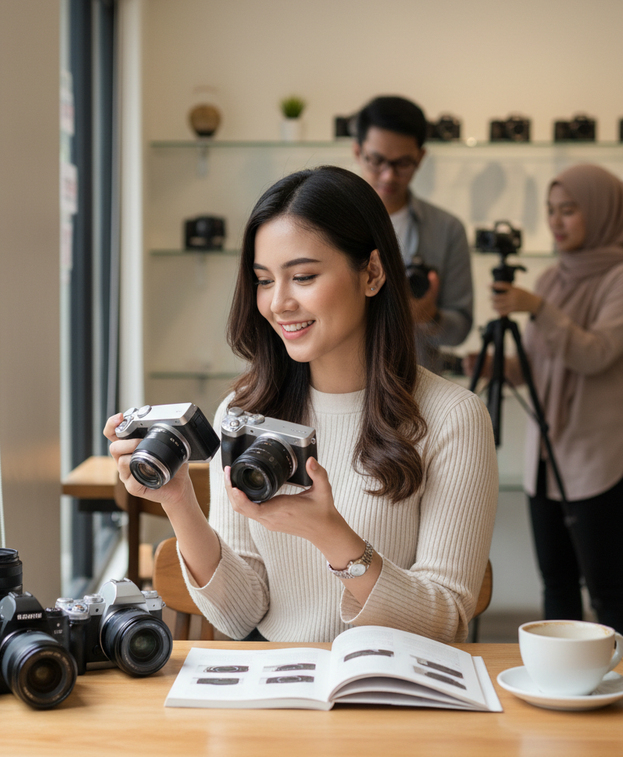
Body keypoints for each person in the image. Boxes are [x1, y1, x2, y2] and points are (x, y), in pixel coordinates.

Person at [106, 166, 498, 644]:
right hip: (281, 691)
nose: (278, 303)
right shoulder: (245, 410)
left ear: (372, 273)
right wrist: (179, 500)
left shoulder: (452, 417)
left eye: (304, 277)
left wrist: (331, 536)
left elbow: (446, 619)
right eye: (264, 280)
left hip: (394, 698)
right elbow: (240, 612)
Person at [467, 163, 623, 632]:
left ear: (601, 212)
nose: (556, 221)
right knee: (555, 582)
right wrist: (498, 367)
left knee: (608, 589)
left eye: (569, 210)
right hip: (543, 460)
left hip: (594, 462)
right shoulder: (552, 278)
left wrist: (537, 308)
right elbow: (540, 365)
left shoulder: (617, 279)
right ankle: (562, 678)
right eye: (551, 211)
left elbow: (595, 355)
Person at [351, 96, 473, 374]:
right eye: (377, 161)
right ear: (357, 152)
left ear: (420, 157)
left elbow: (459, 329)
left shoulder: (446, 229)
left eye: (403, 163)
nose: (389, 176)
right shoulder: (326, 220)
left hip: (414, 387)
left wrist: (429, 317)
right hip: (336, 382)